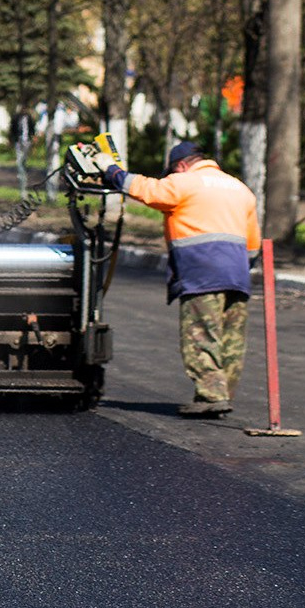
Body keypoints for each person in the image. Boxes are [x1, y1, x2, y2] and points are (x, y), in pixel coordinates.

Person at [104, 140, 262, 418]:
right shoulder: (241, 189)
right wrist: (240, 267)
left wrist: (112, 171)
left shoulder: (185, 183)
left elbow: (147, 190)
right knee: (231, 340)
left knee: (200, 336)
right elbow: (253, 245)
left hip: (202, 272)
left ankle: (212, 395)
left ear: (180, 165)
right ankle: (221, 394)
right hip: (237, 275)